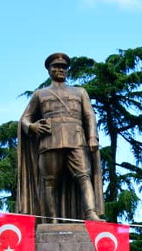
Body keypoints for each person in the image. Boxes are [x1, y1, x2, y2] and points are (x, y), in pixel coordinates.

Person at [18, 52, 104, 222]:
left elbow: (89, 116)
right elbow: (24, 119)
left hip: (76, 139)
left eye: (64, 67)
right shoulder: (40, 94)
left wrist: (93, 137)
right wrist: (32, 126)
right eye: (56, 67)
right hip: (50, 140)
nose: (61, 70)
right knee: (49, 182)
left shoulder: (80, 92)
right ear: (49, 70)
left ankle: (90, 213)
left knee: (84, 176)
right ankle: (52, 219)